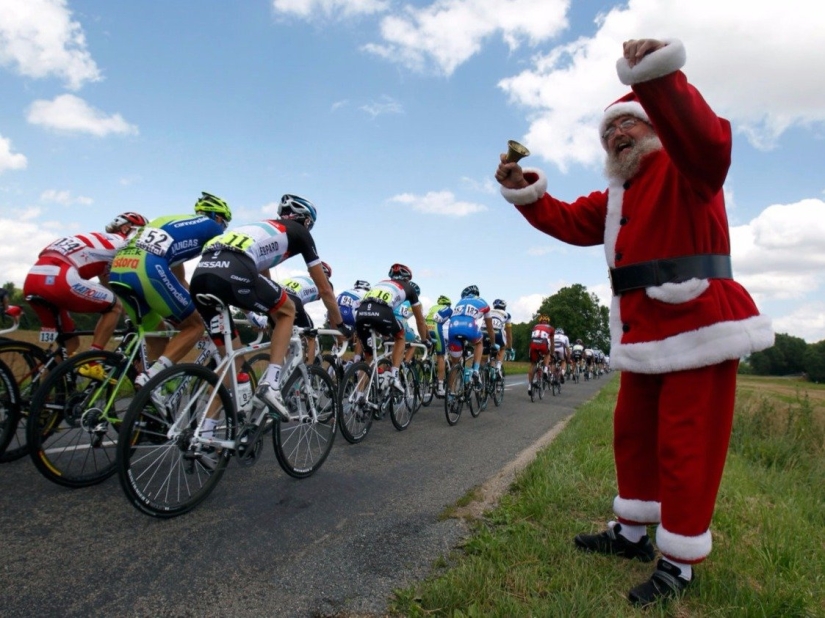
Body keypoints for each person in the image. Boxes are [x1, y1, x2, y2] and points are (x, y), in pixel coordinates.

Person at [495, 38, 774, 606]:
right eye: (607, 132)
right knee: (634, 435)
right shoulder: (618, 193)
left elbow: (707, 139)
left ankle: (680, 561)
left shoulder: (685, 163)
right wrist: (525, 192)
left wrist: (657, 78)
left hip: (698, 324)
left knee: (686, 444)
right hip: (643, 331)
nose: (616, 136)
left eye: (628, 125)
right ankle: (630, 534)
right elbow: (571, 221)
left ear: (653, 126)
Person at [189, 194, 348, 421]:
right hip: (236, 268)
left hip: (202, 274)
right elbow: (324, 290)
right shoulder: (299, 232)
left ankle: (205, 432)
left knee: (232, 363)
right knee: (288, 310)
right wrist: (340, 325)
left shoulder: (260, 228)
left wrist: (256, 316)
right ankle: (271, 383)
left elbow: (264, 279)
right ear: (306, 222)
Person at [109, 193, 230, 386]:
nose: (223, 228)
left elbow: (180, 279)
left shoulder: (173, 222)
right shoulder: (213, 227)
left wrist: (193, 303)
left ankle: (157, 393)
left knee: (157, 336)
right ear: (217, 217)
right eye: (225, 223)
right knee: (195, 325)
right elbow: (218, 269)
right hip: (147, 269)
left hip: (119, 268)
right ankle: (151, 378)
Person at [23, 212, 148, 358]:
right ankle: (92, 360)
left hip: (32, 279)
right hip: (60, 278)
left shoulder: (95, 238)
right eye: (141, 232)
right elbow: (121, 286)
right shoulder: (124, 245)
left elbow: (107, 283)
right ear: (127, 228)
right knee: (115, 306)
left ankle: (46, 380)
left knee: (70, 344)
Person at [354, 263, 431, 393]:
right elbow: (420, 320)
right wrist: (424, 340)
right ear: (407, 279)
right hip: (381, 312)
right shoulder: (409, 288)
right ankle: (394, 376)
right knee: (400, 336)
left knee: (369, 360)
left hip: (361, 313)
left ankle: (359, 395)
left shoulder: (381, 283)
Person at [278, 261, 334, 365]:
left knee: (284, 337)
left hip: (275, 294)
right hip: (292, 300)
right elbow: (330, 305)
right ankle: (309, 372)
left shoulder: (301, 278)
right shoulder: (323, 283)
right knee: (311, 334)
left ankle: (279, 367)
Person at [445, 285, 495, 388]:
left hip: (453, 328)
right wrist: (493, 343)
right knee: (479, 342)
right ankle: (475, 370)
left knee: (455, 365)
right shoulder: (484, 303)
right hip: (469, 327)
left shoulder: (459, 302)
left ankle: (451, 394)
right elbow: (490, 328)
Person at [424, 294, 452, 397]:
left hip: (426, 329)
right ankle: (440, 387)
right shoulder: (448, 309)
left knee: (429, 349)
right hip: (437, 330)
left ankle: (427, 363)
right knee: (441, 357)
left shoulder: (432, 308)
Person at [526, 314, 554, 396]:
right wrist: (552, 353)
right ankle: (545, 369)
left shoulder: (535, 326)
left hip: (533, 344)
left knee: (533, 364)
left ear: (540, 321)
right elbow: (552, 343)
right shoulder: (551, 328)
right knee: (547, 354)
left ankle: (530, 386)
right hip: (543, 344)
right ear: (548, 321)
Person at [486, 298, 513, 378]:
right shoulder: (507, 314)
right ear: (504, 307)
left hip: (484, 331)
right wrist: (510, 347)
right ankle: (498, 367)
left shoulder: (489, 312)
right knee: (502, 348)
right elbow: (508, 334)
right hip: (497, 333)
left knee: (485, 349)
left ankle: (482, 372)